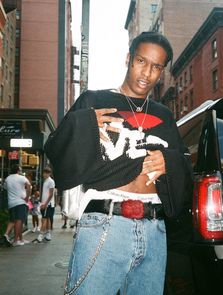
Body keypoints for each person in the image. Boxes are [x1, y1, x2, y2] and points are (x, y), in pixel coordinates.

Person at [45, 31, 193, 295]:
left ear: (162, 73)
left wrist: (169, 161)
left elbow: (184, 166)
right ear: (128, 59)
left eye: (156, 67)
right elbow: (56, 149)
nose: (147, 73)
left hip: (154, 229)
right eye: (141, 61)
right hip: (104, 224)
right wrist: (85, 124)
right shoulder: (94, 100)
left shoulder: (164, 115)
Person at [3, 164, 31, 246]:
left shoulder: (7, 179)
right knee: (19, 221)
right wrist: (27, 197)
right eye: (20, 170)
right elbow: (29, 185)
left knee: (12, 220)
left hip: (11, 203)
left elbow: (5, 188)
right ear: (18, 170)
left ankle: (9, 235)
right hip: (20, 202)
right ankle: (16, 240)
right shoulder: (21, 177)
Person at [36, 167, 55, 242]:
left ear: (50, 173)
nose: (45, 174)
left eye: (47, 173)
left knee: (44, 219)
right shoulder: (46, 181)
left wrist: (45, 204)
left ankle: (41, 235)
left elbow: (51, 194)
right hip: (46, 203)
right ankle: (48, 235)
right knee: (47, 219)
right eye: (44, 172)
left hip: (48, 204)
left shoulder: (50, 181)